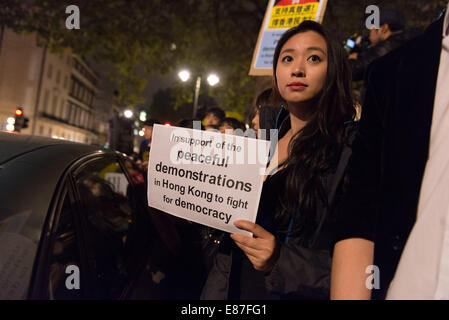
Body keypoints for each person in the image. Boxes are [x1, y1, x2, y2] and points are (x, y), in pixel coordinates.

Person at [201, 20, 357, 300]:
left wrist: (280, 260)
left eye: (314, 58)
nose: (297, 69)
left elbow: (362, 268)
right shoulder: (257, 144)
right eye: (287, 58)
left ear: (333, 70)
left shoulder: (348, 149)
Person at [330, 5, 449, 300]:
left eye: (316, 58)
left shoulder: (381, 58)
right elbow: (363, 208)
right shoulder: (395, 71)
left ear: (383, 30)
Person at [349, 9, 412, 82]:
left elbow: (352, 71)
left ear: (384, 28)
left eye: (372, 28)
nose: (370, 34)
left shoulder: (387, 48)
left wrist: (352, 59)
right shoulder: (406, 43)